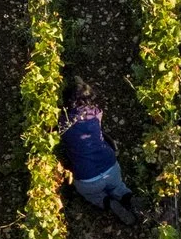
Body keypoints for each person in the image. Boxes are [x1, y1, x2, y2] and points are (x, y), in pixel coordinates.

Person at [59, 85, 139, 226]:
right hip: (110, 167)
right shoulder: (96, 112)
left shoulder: (63, 123)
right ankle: (127, 197)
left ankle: (108, 202)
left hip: (88, 178)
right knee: (118, 187)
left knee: (93, 194)